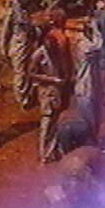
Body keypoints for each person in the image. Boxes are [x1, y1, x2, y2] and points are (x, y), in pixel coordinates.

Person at [28, 11, 72, 163]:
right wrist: (52, 80)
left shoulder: (56, 52)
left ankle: (52, 149)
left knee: (56, 119)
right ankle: (43, 154)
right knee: (46, 121)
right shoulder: (38, 55)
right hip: (46, 90)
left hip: (57, 90)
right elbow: (32, 74)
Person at [0, 0, 37, 109]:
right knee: (20, 73)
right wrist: (3, 49)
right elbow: (5, 32)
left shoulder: (25, 12)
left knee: (28, 70)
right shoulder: (12, 13)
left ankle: (26, 95)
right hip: (18, 46)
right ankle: (21, 99)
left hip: (27, 45)